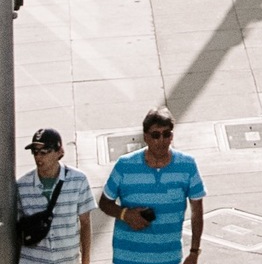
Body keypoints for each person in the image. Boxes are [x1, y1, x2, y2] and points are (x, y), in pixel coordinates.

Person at [99, 106, 204, 261]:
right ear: (145, 137)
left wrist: (194, 252)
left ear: (172, 136)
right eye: (156, 135)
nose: (161, 140)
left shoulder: (187, 165)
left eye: (166, 134)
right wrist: (125, 214)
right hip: (127, 258)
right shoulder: (124, 165)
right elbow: (104, 203)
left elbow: (197, 211)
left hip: (168, 258)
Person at [17, 127, 94, 263]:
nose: (38, 157)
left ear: (59, 152)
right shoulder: (22, 185)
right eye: (35, 152)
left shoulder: (78, 180)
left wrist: (86, 260)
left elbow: (85, 223)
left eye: (44, 152)